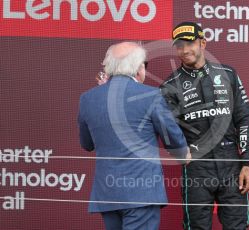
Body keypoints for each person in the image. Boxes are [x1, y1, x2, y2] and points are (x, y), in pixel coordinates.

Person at [78, 42, 191, 230]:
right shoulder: (150, 95)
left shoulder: (88, 98)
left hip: (108, 194)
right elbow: (173, 139)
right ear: (139, 68)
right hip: (142, 194)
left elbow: (86, 143)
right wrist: (183, 154)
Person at [160, 22, 249, 230]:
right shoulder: (169, 86)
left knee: (238, 225)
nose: (185, 50)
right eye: (179, 46)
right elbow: (166, 128)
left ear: (202, 42)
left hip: (231, 163)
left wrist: (247, 163)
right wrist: (180, 153)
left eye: (190, 43)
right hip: (196, 167)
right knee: (196, 227)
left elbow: (244, 117)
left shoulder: (227, 74)